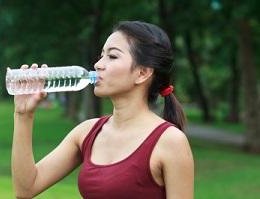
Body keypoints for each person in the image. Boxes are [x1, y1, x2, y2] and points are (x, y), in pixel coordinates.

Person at [11, 21, 194, 199]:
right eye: (101, 55)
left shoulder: (170, 142)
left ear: (143, 73)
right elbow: (26, 188)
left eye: (112, 56)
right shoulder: (87, 132)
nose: (98, 64)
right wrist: (23, 115)